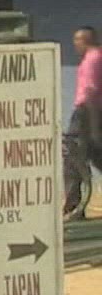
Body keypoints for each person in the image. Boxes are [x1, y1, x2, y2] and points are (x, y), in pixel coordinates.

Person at [65, 26, 102, 219]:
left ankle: (72, 206)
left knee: (72, 158)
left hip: (85, 114)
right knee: (95, 156)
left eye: (78, 40)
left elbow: (89, 93)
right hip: (92, 113)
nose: (75, 44)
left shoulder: (92, 60)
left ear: (86, 40)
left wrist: (94, 126)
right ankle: (73, 205)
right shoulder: (97, 57)